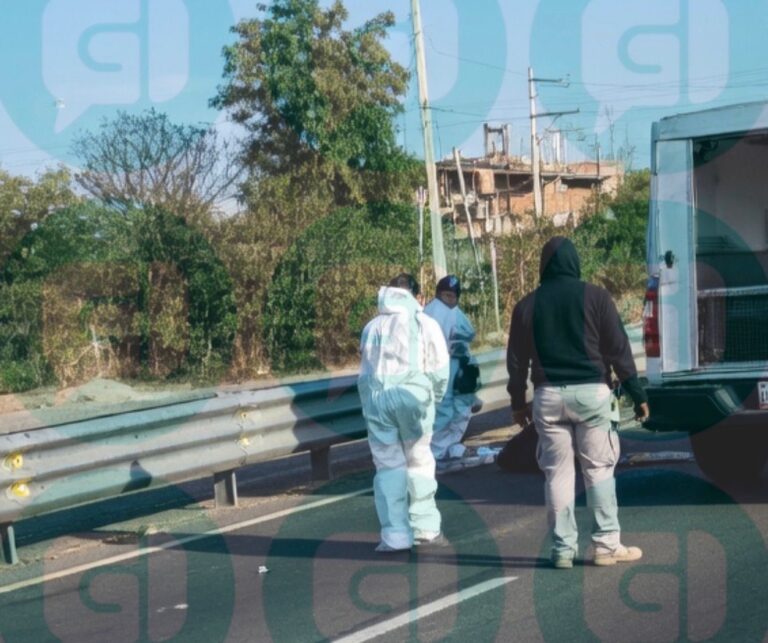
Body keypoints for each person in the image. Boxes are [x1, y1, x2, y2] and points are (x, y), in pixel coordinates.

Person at [506, 236, 650, 569]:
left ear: (543, 266)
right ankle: (605, 545)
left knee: (557, 473)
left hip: (548, 397)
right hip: (591, 396)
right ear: (574, 263)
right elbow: (618, 350)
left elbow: (516, 361)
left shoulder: (526, 305)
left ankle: (562, 549)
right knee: (598, 469)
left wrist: (517, 402)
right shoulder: (596, 297)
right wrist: (636, 393)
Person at [359, 273, 450, 552]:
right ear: (416, 295)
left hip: (377, 402)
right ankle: (425, 529)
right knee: (419, 462)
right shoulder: (424, 323)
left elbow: (365, 371)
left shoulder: (371, 326)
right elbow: (439, 370)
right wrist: (432, 400)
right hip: (413, 399)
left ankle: (395, 536)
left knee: (388, 466)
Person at [424, 275, 482, 461]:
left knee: (456, 410)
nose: (449, 299)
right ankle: (437, 451)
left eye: (452, 296)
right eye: (446, 295)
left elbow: (466, 337)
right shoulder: (434, 312)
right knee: (445, 411)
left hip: (455, 369)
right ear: (439, 294)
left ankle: (447, 448)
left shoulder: (446, 311)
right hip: (442, 368)